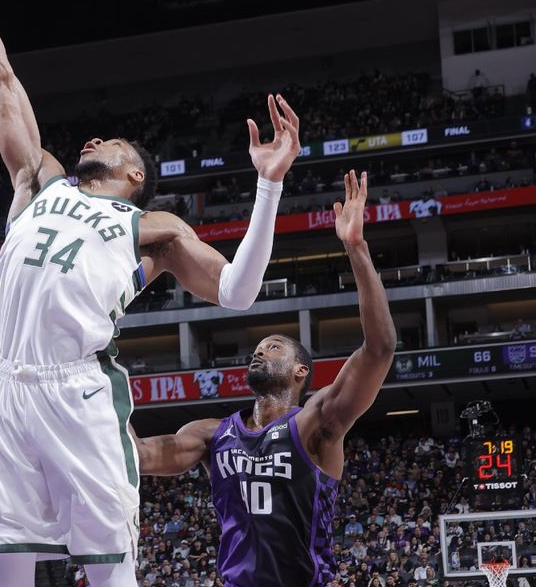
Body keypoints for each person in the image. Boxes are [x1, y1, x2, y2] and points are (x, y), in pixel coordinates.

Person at [0, 0, 300, 585]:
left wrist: (267, 186)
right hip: (6, 385)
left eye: (108, 142)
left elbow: (238, 290)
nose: (91, 141)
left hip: (78, 393)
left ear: (134, 173)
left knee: (108, 569)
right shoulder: (39, 179)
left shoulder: (153, 228)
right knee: (4, 568)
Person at [132, 171, 396, 585]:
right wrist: (98, 369)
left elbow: (379, 349)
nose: (259, 350)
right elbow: (140, 458)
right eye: (258, 347)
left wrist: (356, 248)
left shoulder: (315, 423)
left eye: (274, 347)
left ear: (300, 371)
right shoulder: (211, 435)